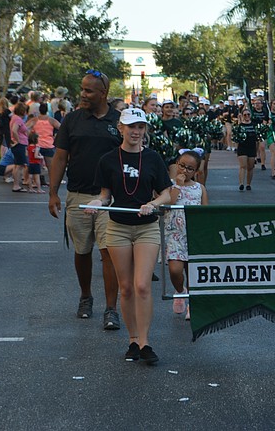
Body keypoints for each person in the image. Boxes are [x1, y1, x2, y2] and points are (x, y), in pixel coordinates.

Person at [86, 107, 173, 365]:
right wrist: (97, 202)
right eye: (131, 126)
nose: (136, 132)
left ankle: (146, 342)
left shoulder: (154, 158)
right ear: (121, 128)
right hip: (118, 227)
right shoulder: (109, 160)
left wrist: (154, 204)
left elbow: (167, 193)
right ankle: (133, 340)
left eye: (140, 127)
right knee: (125, 288)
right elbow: (105, 195)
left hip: (146, 226)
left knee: (143, 285)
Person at [48, 70, 122, 329]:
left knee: (109, 253)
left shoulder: (119, 120)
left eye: (89, 90)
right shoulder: (72, 120)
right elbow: (60, 157)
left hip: (108, 199)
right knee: (82, 251)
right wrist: (53, 192)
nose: (83, 94)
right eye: (82, 89)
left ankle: (111, 308)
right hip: (77, 196)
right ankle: (85, 296)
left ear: (103, 94)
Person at [164, 149, 208, 320]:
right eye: (182, 166)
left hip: (193, 234)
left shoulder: (200, 188)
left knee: (193, 271)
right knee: (175, 270)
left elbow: (205, 212)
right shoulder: (169, 185)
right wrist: (178, 185)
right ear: (176, 165)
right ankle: (180, 290)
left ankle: (192, 304)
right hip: (174, 235)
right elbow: (169, 202)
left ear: (196, 171)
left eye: (190, 168)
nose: (184, 171)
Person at [27, 103, 60, 186]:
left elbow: (25, 127)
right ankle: (53, 182)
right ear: (47, 110)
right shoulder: (51, 120)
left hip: (38, 144)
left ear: (39, 110)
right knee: (50, 166)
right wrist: (56, 136)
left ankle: (36, 182)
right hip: (49, 144)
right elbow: (61, 127)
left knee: (38, 165)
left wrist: (31, 135)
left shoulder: (34, 120)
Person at [234, 107, 257, 191]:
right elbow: (236, 138)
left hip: (252, 147)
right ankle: (241, 183)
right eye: (245, 115)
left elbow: (257, 139)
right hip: (242, 147)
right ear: (242, 116)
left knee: (250, 166)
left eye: (248, 114)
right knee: (243, 166)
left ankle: (248, 184)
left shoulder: (254, 125)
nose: (247, 116)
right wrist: (236, 148)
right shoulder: (240, 126)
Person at [9, 102, 30, 193]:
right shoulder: (17, 119)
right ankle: (16, 185)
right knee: (20, 165)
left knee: (17, 165)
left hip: (18, 144)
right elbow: (14, 130)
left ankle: (16, 184)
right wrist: (18, 141)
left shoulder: (14, 118)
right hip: (20, 144)